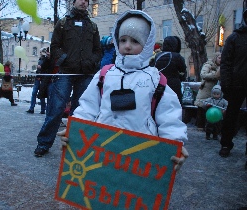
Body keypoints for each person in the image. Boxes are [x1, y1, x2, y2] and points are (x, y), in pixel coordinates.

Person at [58, 10, 189, 171]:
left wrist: (174, 144)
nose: (127, 45)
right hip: (102, 149)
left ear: (147, 44)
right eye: (123, 40)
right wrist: (75, 131)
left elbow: (169, 118)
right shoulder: (104, 75)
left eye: (135, 41)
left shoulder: (156, 80)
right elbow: (87, 108)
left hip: (140, 156)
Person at [34, 0, 102, 157]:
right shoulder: (63, 23)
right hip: (65, 72)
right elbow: (55, 45)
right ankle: (44, 143)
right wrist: (63, 59)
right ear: (73, 2)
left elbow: (98, 50)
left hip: (85, 74)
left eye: (86, 0)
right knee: (56, 108)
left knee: (80, 111)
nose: (84, 2)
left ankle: (75, 144)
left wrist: (92, 61)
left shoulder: (92, 26)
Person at [219, 9, 247, 158]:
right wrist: (226, 84)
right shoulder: (235, 38)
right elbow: (226, 63)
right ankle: (226, 144)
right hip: (236, 84)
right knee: (231, 116)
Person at [150, 36, 187, 104]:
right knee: (174, 105)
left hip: (159, 84)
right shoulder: (177, 56)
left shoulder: (157, 56)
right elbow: (183, 71)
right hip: (174, 85)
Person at [194, 52, 221, 131]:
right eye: (219, 58)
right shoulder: (208, 65)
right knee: (202, 107)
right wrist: (215, 75)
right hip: (206, 90)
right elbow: (203, 74)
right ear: (215, 58)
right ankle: (200, 126)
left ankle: (211, 128)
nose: (221, 60)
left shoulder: (221, 66)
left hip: (215, 91)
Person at [26, 48, 47, 114]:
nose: (40, 53)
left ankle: (42, 109)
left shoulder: (45, 59)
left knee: (41, 94)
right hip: (38, 78)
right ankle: (32, 108)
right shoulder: (40, 59)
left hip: (42, 79)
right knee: (34, 93)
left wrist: (40, 75)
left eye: (41, 52)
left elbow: (45, 69)